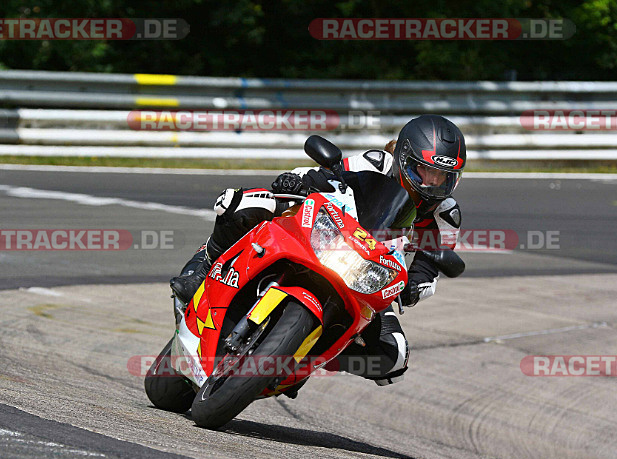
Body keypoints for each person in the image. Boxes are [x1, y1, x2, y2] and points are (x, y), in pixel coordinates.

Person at [170, 114, 466, 386]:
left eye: (443, 177)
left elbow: (429, 268)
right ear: (404, 158)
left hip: (371, 276)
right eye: (426, 170)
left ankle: (313, 356)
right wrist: (298, 183)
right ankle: (203, 266)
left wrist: (413, 287)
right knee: (242, 203)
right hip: (323, 233)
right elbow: (329, 176)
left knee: (395, 354)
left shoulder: (445, 216)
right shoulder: (376, 163)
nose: (433, 183)